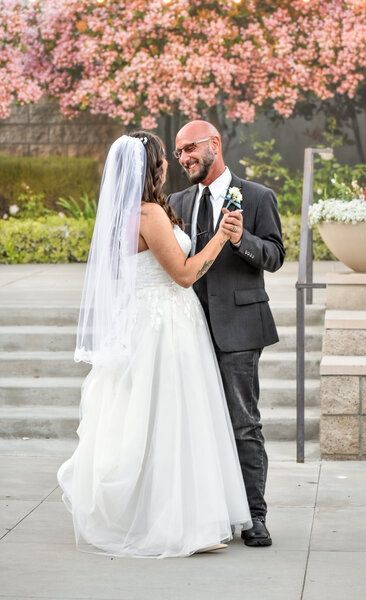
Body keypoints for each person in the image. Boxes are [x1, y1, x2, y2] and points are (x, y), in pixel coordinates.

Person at [57, 132, 252, 559]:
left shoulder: (119, 215)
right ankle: (177, 523)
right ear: (154, 167)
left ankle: (145, 514)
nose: (170, 164)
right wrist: (221, 236)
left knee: (144, 422)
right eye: (165, 158)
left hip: (138, 321)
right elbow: (183, 274)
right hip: (165, 325)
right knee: (173, 421)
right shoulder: (148, 214)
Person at [169, 120, 285, 547]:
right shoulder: (175, 201)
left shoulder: (257, 197)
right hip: (187, 330)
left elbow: (275, 256)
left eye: (190, 148)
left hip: (239, 329)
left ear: (215, 144)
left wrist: (243, 240)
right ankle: (212, 514)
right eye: (179, 152)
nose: (184, 158)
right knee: (196, 424)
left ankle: (254, 516)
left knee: (243, 424)